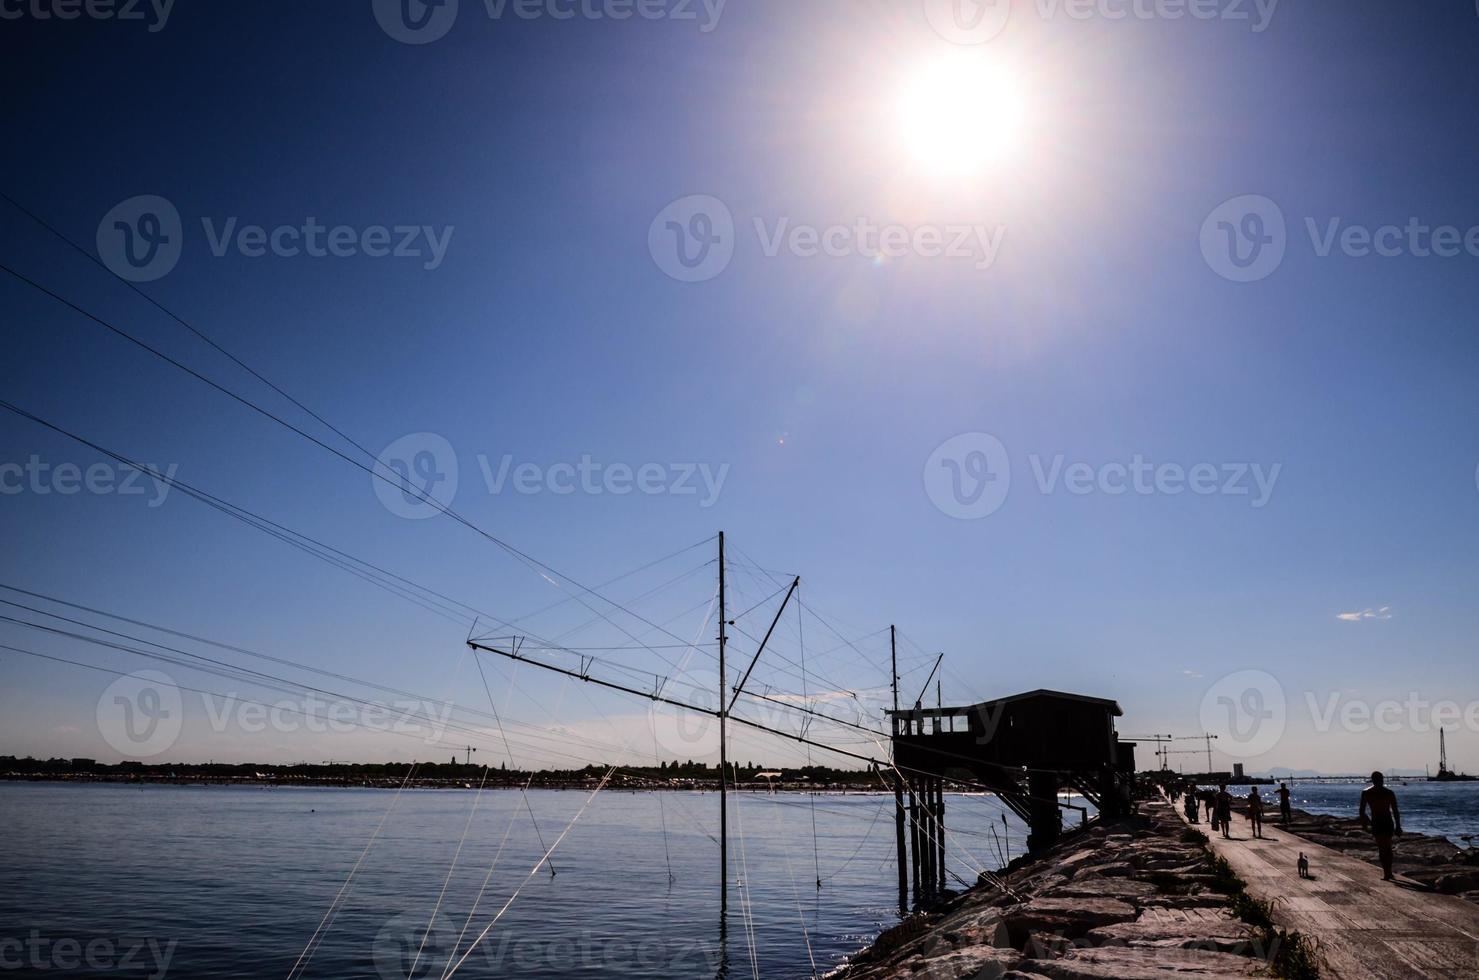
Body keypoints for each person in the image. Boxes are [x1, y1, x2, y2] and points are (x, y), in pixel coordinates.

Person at [1358, 770, 1403, 881]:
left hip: (1383, 821)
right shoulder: (1372, 793)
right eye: (1380, 780)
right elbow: (1362, 811)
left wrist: (1398, 825)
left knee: (1385, 847)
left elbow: (1395, 810)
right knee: (1384, 847)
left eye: (1381, 780)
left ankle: (1388, 871)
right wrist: (1365, 824)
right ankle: (1387, 872)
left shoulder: (1377, 793)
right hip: (1380, 821)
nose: (1381, 782)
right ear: (1374, 780)